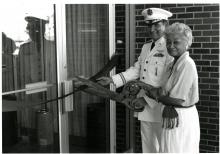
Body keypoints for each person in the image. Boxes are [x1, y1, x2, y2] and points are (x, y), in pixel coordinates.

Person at [97, 8, 173, 153]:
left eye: (157, 25)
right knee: (148, 146)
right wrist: (112, 80)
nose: (152, 29)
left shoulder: (170, 48)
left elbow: (168, 82)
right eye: (149, 25)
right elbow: (137, 69)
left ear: (166, 24)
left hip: (159, 106)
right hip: (144, 106)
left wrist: (147, 100)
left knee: (165, 148)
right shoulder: (146, 47)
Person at [145, 22, 200, 153]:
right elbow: (164, 89)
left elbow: (177, 100)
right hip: (170, 115)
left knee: (178, 149)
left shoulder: (187, 64)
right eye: (168, 42)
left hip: (181, 117)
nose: (171, 46)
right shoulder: (172, 64)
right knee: (168, 149)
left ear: (187, 43)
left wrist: (155, 95)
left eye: (176, 42)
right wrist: (154, 91)